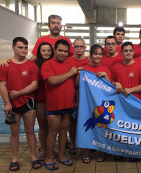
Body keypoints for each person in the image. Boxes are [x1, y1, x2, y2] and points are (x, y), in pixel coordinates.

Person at [0, 37, 41, 171]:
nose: (24, 50)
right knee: (14, 133)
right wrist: (7, 103)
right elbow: (2, 85)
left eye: (26, 48)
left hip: (28, 103)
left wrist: (18, 93)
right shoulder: (6, 65)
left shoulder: (31, 65)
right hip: (12, 105)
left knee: (30, 131)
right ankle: (15, 158)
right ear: (13, 48)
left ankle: (33, 156)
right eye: (20, 47)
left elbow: (35, 85)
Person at [41, 39, 82, 170]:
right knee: (53, 132)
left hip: (68, 104)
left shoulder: (69, 63)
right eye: (60, 50)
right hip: (54, 105)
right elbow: (52, 81)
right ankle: (48, 157)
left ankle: (62, 155)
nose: (63, 53)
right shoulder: (47, 65)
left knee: (64, 131)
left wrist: (78, 74)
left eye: (65, 51)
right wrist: (71, 72)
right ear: (54, 49)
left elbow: (75, 83)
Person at [111, 41, 141, 161]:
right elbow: (109, 83)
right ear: (121, 52)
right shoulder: (116, 67)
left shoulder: (139, 66)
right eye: (125, 51)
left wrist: (131, 90)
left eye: (130, 50)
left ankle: (134, 152)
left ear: (133, 52)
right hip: (119, 104)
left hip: (135, 103)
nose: (128, 53)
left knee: (133, 129)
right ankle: (119, 151)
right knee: (120, 129)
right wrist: (115, 83)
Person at [75, 44, 111, 163]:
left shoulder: (105, 69)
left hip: (100, 104)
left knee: (101, 127)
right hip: (87, 104)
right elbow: (76, 85)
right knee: (89, 128)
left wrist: (105, 76)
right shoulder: (84, 68)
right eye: (96, 53)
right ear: (90, 55)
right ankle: (87, 152)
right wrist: (79, 74)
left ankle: (101, 152)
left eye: (100, 54)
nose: (98, 56)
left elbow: (110, 88)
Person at [66, 38, 89, 155]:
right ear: (73, 48)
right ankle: (72, 143)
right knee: (72, 120)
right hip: (71, 94)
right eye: (77, 47)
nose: (79, 49)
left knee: (86, 119)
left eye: (81, 46)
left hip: (86, 96)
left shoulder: (89, 61)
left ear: (85, 48)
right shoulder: (68, 61)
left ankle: (86, 143)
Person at [34, 42, 56, 161]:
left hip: (53, 98)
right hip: (41, 99)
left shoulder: (54, 64)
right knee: (43, 126)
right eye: (43, 50)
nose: (46, 53)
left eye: (48, 50)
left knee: (52, 128)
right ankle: (43, 150)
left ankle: (51, 149)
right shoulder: (35, 65)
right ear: (39, 52)